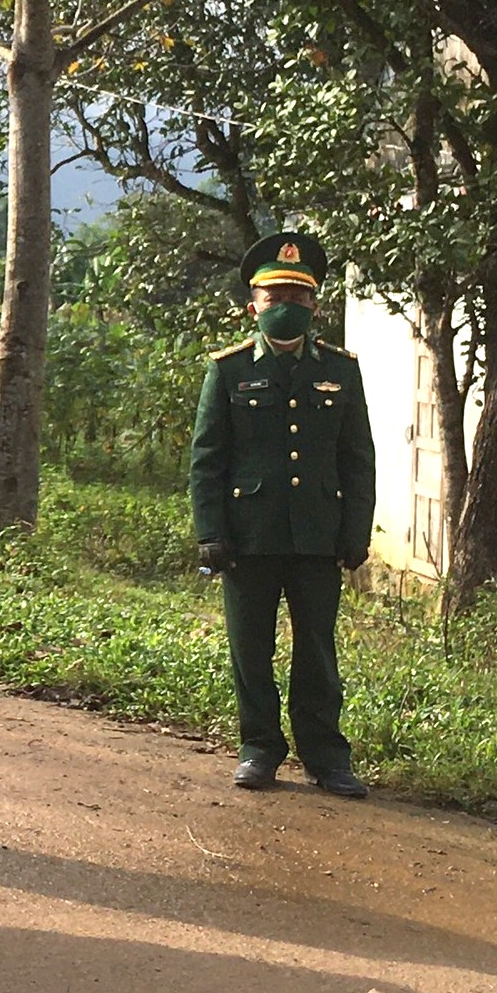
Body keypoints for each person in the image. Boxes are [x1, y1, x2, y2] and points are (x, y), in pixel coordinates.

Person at [188, 230, 375, 799]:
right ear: (254, 306)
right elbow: (207, 459)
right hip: (249, 536)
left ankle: (326, 757)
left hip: (318, 535)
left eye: (297, 297)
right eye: (274, 298)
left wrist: (356, 531)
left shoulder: (341, 370)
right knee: (251, 649)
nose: (286, 307)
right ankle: (259, 750)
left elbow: (358, 458)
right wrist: (211, 533)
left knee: (317, 650)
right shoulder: (228, 370)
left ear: (315, 306)